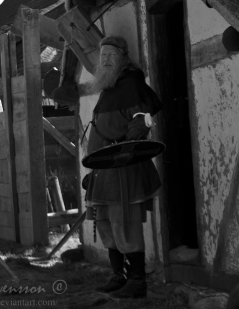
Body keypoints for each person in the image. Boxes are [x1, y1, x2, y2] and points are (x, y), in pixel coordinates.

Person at [80, 36, 163, 299]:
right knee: (105, 224)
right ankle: (119, 276)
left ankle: (138, 281)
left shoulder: (132, 85)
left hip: (123, 167)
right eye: (102, 55)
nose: (105, 60)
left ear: (124, 58)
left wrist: (135, 136)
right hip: (102, 170)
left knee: (124, 223)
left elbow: (142, 120)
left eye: (111, 55)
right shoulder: (108, 86)